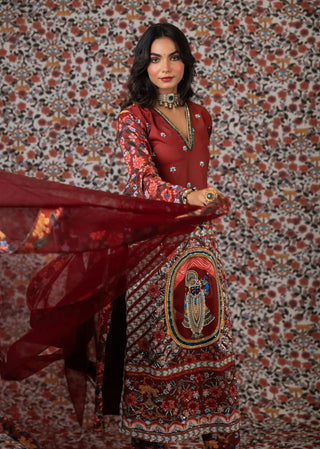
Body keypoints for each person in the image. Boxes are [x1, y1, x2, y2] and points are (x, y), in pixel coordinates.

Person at [103, 23, 240, 449]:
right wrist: (188, 195)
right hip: (152, 244)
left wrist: (210, 200)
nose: (166, 67)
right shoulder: (133, 118)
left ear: (186, 62)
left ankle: (212, 429)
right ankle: (151, 435)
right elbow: (142, 180)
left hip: (198, 242)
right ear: (144, 64)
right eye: (156, 57)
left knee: (206, 333)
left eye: (174, 56)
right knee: (157, 341)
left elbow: (200, 179)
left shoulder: (201, 115)